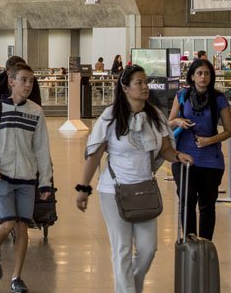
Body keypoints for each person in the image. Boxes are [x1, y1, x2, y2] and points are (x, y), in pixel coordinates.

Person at [77, 65, 192, 293]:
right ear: (125, 87)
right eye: (139, 82)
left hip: (144, 190)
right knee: (122, 249)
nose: (144, 86)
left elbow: (165, 149)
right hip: (114, 191)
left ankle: (132, 287)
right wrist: (83, 188)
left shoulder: (155, 116)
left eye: (145, 82)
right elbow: (95, 155)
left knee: (148, 249)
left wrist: (178, 156)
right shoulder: (110, 116)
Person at [0, 64, 53, 293]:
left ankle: (16, 277)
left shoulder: (36, 112)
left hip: (27, 178)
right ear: (11, 81)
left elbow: (42, 150)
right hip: (4, 176)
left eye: (31, 81)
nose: (28, 85)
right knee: (8, 223)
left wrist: (45, 181)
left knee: (22, 228)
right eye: (23, 80)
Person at [167, 59, 231, 239]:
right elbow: (168, 123)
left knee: (207, 206)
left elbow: (229, 130)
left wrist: (209, 140)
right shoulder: (182, 95)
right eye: (199, 73)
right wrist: (178, 121)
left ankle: (205, 244)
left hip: (211, 161)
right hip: (183, 158)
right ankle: (190, 243)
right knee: (186, 202)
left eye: (207, 73)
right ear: (192, 76)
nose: (203, 77)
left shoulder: (219, 99)